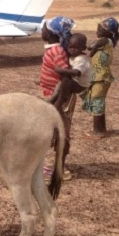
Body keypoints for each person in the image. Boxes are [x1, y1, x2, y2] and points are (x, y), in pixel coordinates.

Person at [39, 16, 75, 181]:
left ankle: (59, 168)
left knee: (62, 131)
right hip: (51, 95)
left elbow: (65, 77)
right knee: (52, 130)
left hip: (60, 98)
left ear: (52, 33)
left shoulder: (57, 51)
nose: (42, 30)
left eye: (44, 28)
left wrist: (59, 103)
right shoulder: (54, 49)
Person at [81, 17, 119, 139]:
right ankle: (101, 128)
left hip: (101, 76)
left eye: (99, 29)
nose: (97, 31)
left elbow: (90, 52)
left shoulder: (103, 40)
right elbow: (89, 47)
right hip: (100, 76)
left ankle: (98, 131)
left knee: (97, 101)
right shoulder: (104, 40)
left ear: (107, 32)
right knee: (98, 101)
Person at [48, 33, 91, 111]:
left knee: (66, 80)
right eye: (70, 47)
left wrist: (60, 70)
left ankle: (59, 103)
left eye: (76, 48)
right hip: (74, 80)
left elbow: (77, 72)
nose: (72, 49)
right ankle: (53, 98)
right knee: (62, 78)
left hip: (80, 84)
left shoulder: (82, 59)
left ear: (83, 48)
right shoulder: (72, 56)